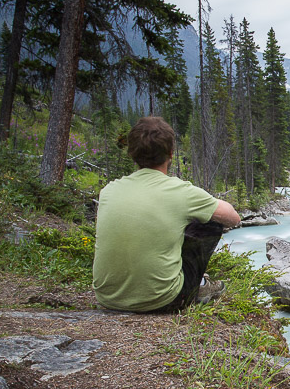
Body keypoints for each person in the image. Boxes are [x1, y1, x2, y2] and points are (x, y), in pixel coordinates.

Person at [92, 116, 240, 312]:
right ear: (171, 154)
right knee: (210, 223)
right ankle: (200, 286)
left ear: (132, 153)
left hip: (107, 298)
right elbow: (233, 217)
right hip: (163, 300)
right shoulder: (180, 191)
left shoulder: (109, 191)